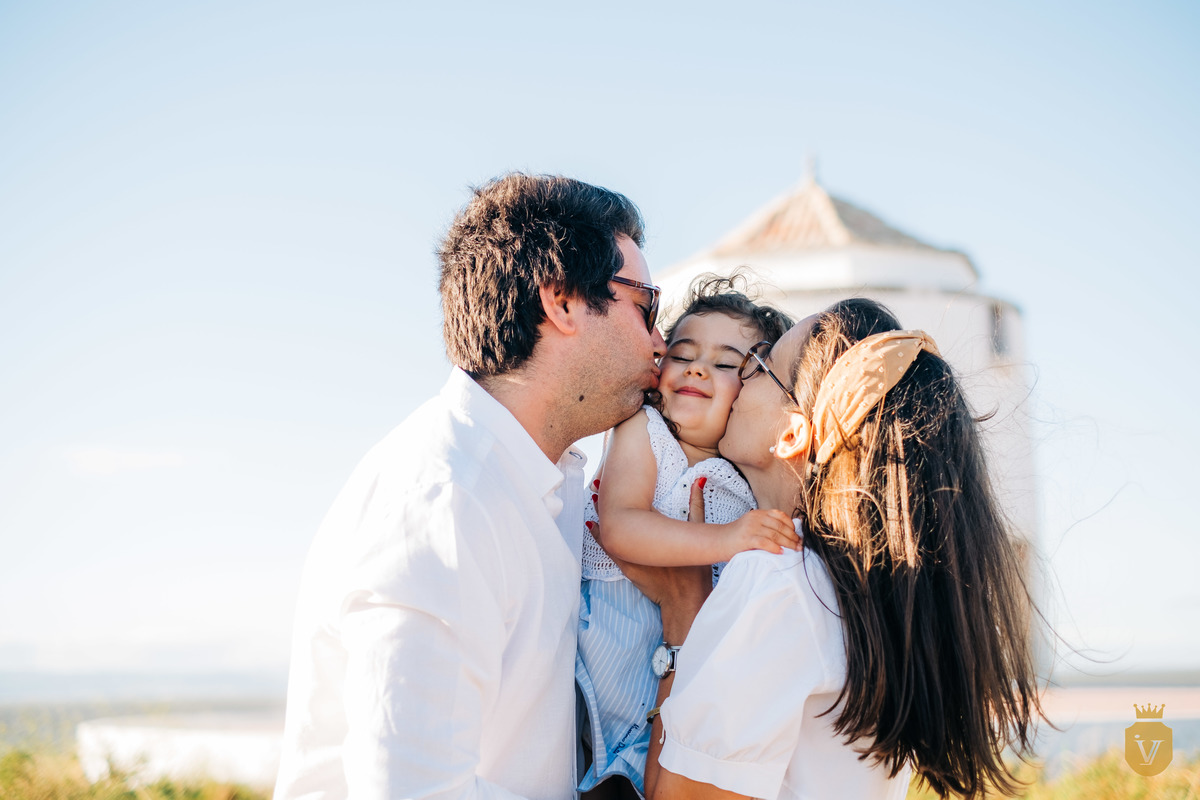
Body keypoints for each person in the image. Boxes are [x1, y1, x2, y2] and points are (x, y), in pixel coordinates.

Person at [273, 173, 666, 800]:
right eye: (646, 306)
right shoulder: (444, 501)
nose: (660, 342)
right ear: (563, 302)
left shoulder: (542, 483)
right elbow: (415, 792)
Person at [614, 298, 1043, 800]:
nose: (736, 381)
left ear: (792, 433)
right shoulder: (859, 592)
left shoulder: (780, 582)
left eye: (758, 367)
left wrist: (684, 617)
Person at [575, 277, 798, 798]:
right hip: (609, 638)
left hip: (679, 677)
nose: (697, 368)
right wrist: (728, 539)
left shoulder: (745, 477)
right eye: (683, 354)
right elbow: (621, 526)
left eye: (725, 364)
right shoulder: (644, 430)